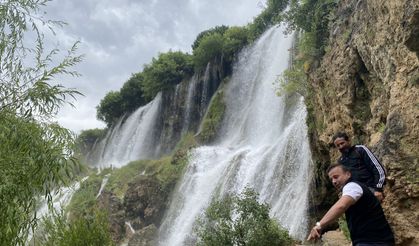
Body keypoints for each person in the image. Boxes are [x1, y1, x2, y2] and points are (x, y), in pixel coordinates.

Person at [307, 164, 395, 246]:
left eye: (336, 177)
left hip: (375, 242)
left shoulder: (352, 186)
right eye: (331, 179)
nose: (334, 181)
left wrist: (319, 225)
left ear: (348, 174)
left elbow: (341, 206)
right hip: (372, 241)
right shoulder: (355, 189)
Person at [332, 132, 386, 202]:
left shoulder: (360, 150)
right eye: (338, 146)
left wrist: (378, 189)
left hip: (370, 189)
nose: (341, 147)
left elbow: (377, 168)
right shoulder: (340, 161)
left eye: (342, 143)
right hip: (353, 193)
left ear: (349, 141)